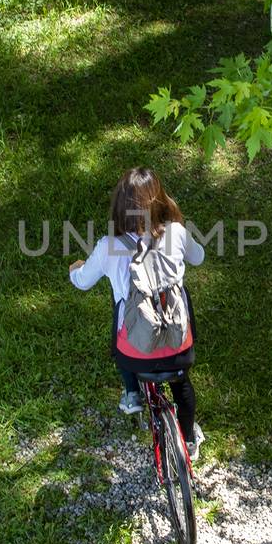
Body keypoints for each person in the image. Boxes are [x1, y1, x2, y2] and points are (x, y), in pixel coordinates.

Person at [69, 168, 206, 460]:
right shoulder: (177, 234)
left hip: (135, 353)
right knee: (182, 385)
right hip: (176, 345)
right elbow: (199, 257)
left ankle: (131, 392)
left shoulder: (109, 247)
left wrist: (74, 270)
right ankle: (190, 440)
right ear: (160, 201)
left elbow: (81, 282)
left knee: (121, 312)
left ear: (119, 205)